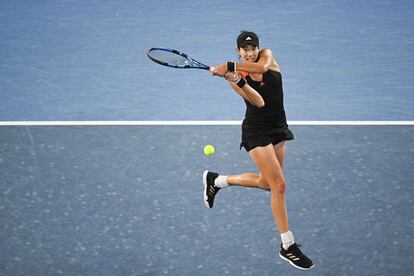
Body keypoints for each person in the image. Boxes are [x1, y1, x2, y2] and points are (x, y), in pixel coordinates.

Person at [203, 31, 314, 270]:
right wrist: (236, 79)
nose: (251, 52)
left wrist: (230, 66)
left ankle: (217, 180)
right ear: (239, 50)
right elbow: (258, 102)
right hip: (256, 130)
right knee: (279, 185)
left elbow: (262, 69)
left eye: (253, 48)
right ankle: (287, 245)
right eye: (245, 49)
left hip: (278, 126)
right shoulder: (234, 74)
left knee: (267, 183)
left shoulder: (268, 57)